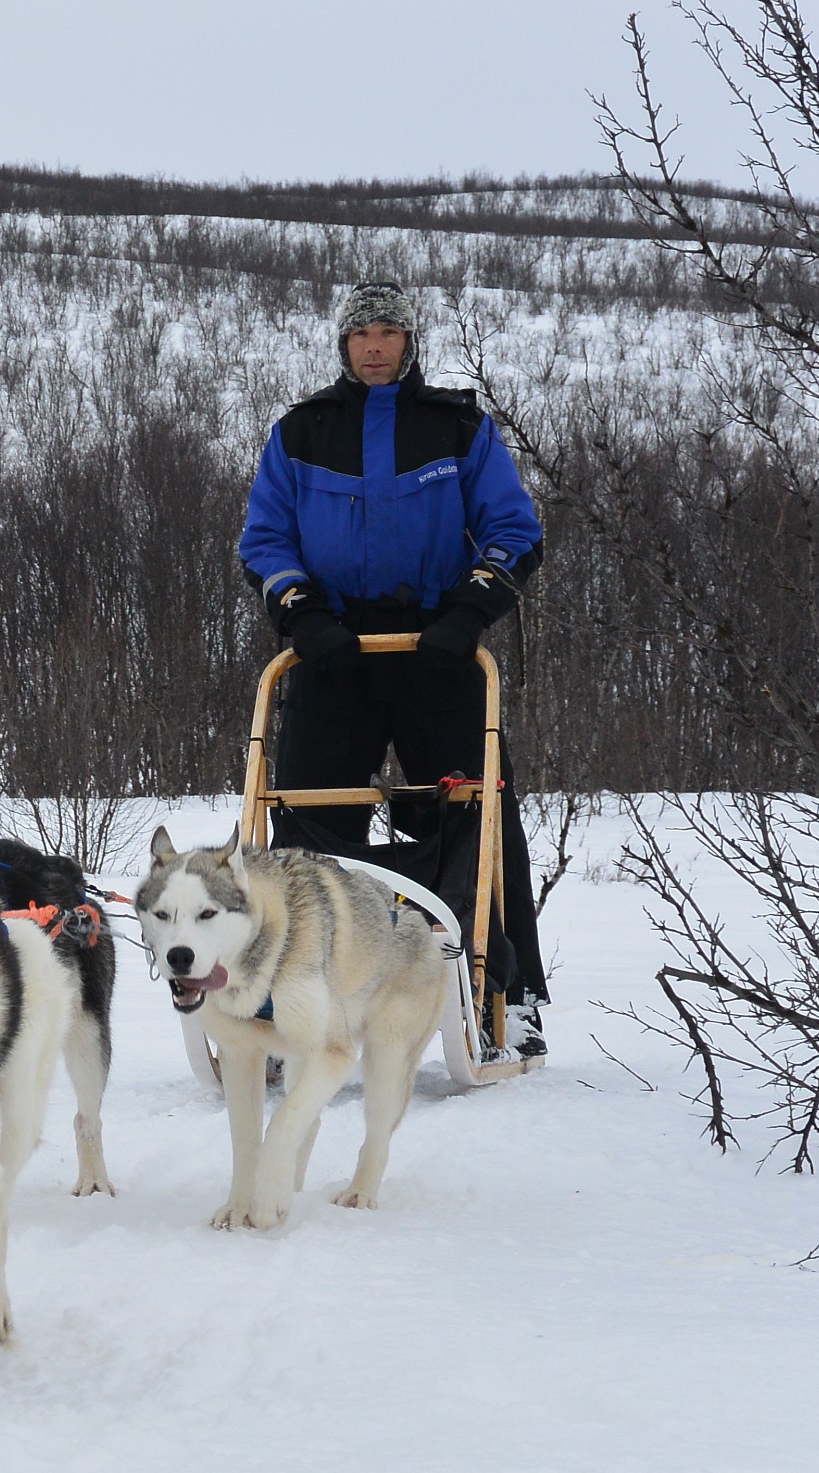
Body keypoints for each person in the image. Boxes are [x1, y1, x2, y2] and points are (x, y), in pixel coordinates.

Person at [237, 281, 549, 1060]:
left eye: (389, 332)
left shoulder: (458, 427)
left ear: (410, 343)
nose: (375, 346)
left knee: (476, 817)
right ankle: (292, 993)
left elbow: (514, 528)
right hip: (333, 653)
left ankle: (505, 993)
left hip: (438, 651)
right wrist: (302, 611)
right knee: (306, 828)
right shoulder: (303, 431)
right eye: (361, 334)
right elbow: (265, 538)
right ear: (342, 346)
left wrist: (469, 612)